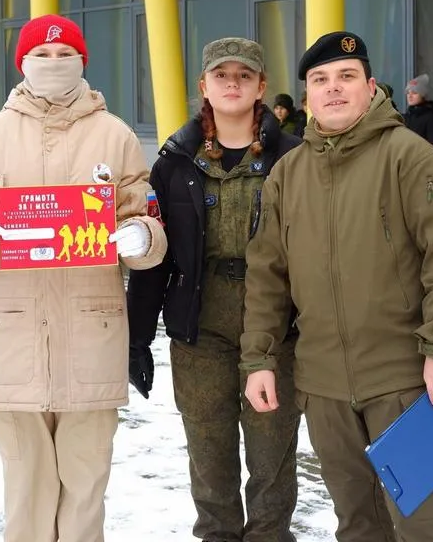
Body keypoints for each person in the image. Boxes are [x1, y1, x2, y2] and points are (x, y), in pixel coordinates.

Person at [0, 14, 167, 542]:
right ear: (21, 63)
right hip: (13, 338)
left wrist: (140, 238)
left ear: (83, 61)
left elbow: (146, 219)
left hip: (92, 337)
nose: (53, 63)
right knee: (26, 488)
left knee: (86, 490)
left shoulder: (115, 135)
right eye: (41, 56)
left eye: (65, 54)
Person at [241, 31, 433, 542]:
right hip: (323, 384)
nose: (334, 89)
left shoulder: (413, 158)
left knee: (421, 522)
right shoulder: (287, 174)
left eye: (346, 77)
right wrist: (258, 358)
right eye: (320, 80)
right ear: (306, 98)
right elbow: (266, 276)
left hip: (404, 378)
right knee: (356, 521)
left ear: (370, 87)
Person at [127, 38, 302, 542]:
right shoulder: (173, 162)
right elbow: (154, 258)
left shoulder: (294, 158)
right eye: (221, 75)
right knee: (208, 451)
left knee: (272, 453)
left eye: (244, 75)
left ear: (261, 87)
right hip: (198, 324)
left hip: (274, 327)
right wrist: (138, 338)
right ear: (204, 86)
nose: (232, 83)